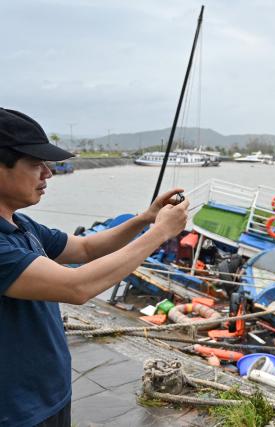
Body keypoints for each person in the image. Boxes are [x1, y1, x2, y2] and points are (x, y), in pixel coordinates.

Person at [0, 108, 189, 427]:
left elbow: (85, 248)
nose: (48, 173)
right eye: (35, 164)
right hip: (17, 412)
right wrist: (160, 233)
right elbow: (77, 287)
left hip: (50, 397)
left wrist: (145, 219)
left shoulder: (19, 223)